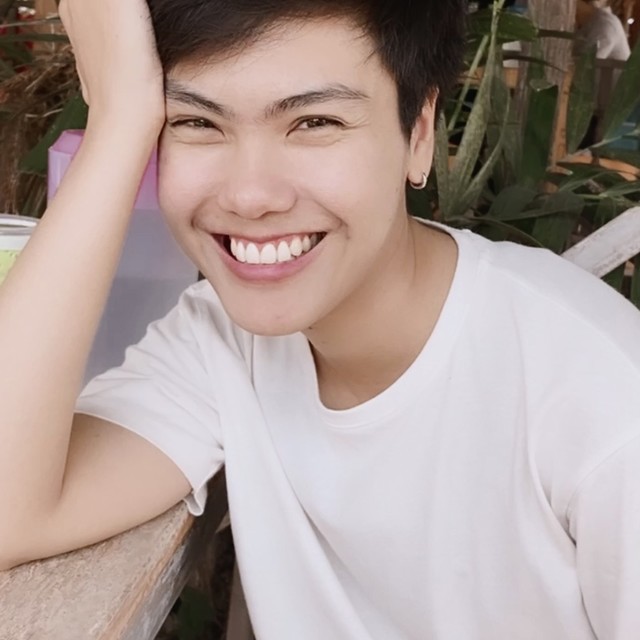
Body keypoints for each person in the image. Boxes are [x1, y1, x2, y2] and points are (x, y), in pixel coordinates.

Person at [1, 1, 640, 638]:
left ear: (419, 135)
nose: (250, 195)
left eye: (315, 122)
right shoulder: (220, 340)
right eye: (195, 121)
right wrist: (118, 121)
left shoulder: (603, 404)